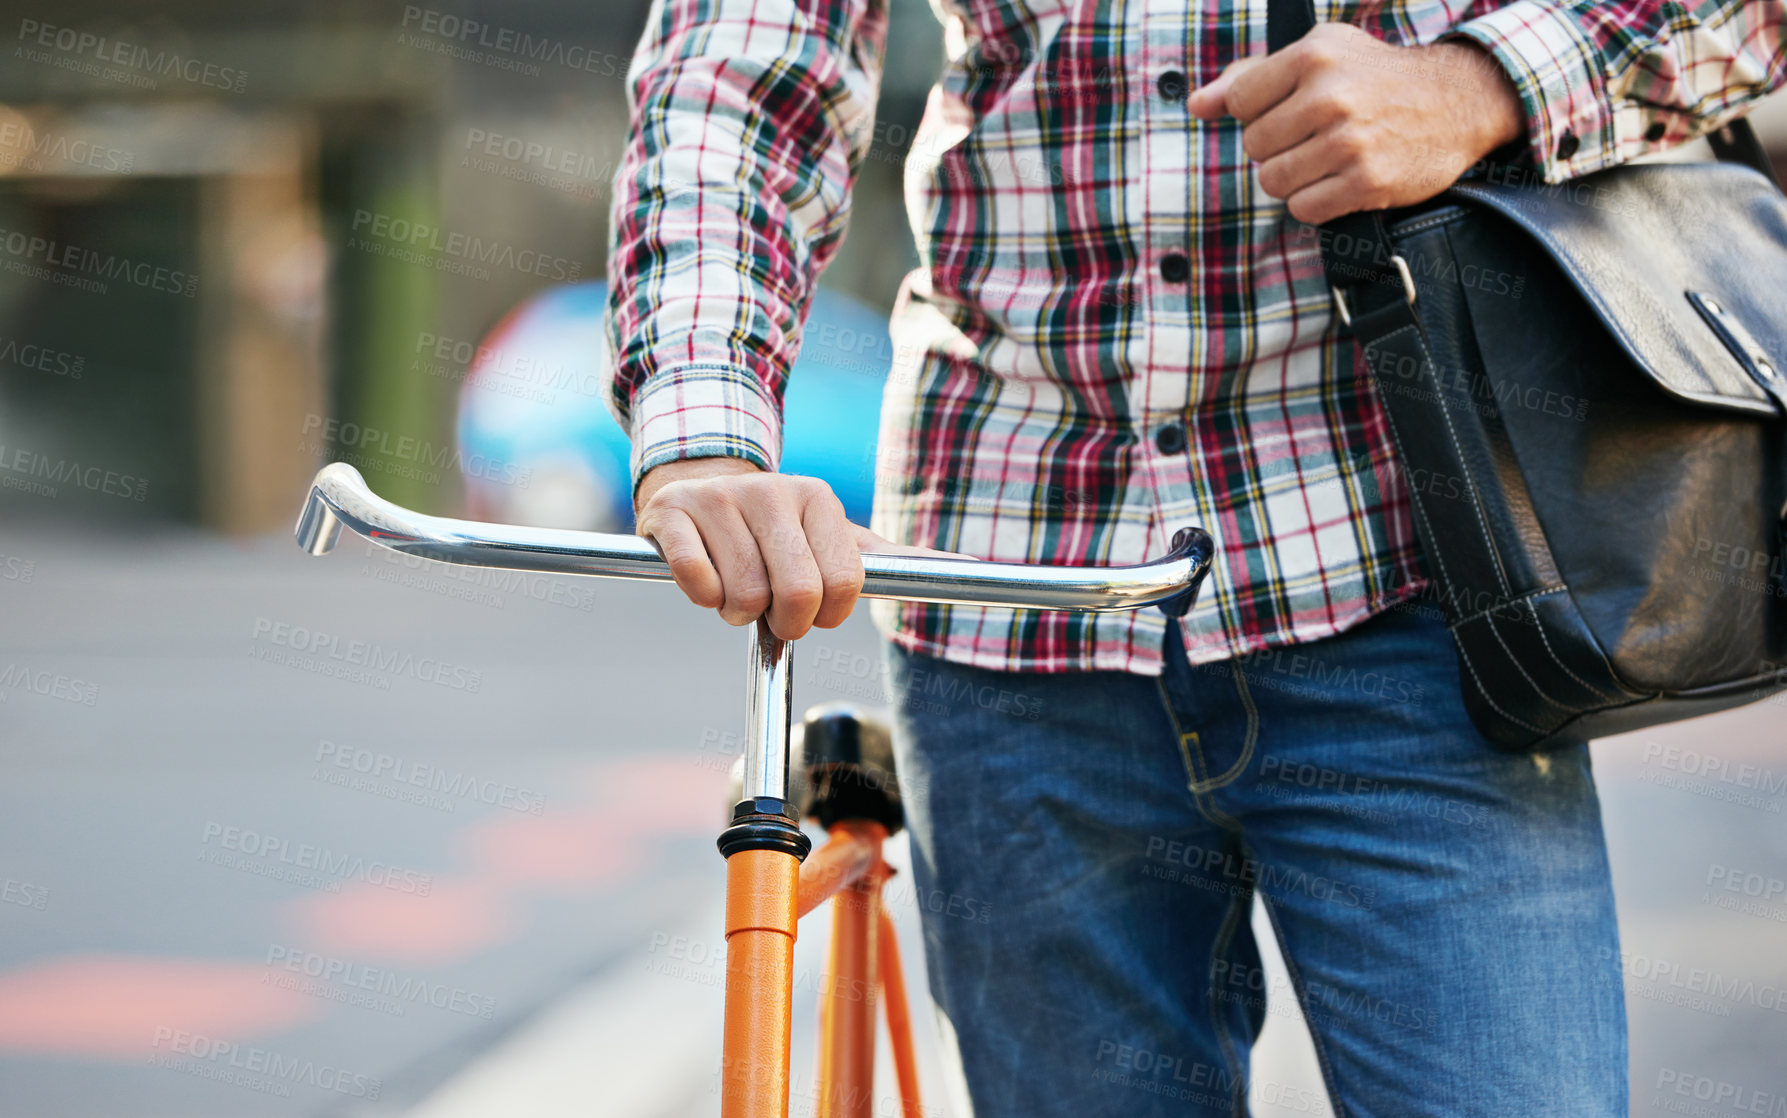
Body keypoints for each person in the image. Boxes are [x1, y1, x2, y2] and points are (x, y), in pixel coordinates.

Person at [603, 1, 1783, 1113]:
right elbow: (740, 75)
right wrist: (703, 434)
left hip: (1411, 576)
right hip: (1013, 586)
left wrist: (1480, 82)